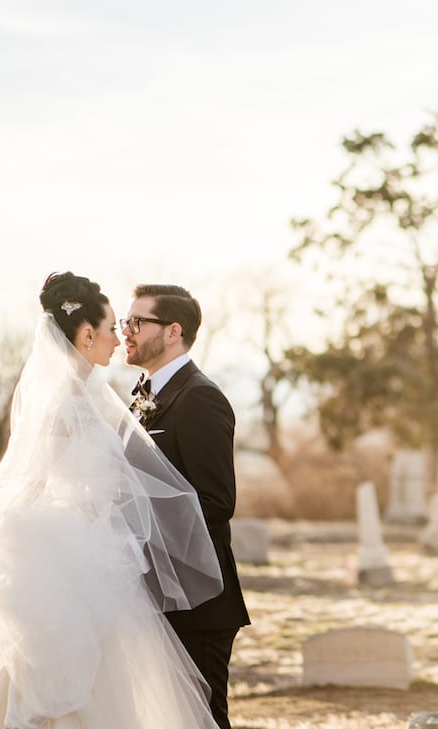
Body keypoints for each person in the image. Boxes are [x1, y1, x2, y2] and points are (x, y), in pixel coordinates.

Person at [0, 272, 224, 729]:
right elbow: (34, 484)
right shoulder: (63, 405)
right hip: (80, 567)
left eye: (131, 325)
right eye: (114, 328)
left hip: (103, 566)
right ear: (87, 335)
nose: (120, 337)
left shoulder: (91, 398)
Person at [122, 284, 250, 729]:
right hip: (154, 592)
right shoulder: (142, 397)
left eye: (137, 322)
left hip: (198, 599)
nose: (126, 331)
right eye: (125, 322)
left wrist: (137, 525)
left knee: (202, 720)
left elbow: (216, 501)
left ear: (173, 332)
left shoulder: (199, 397)